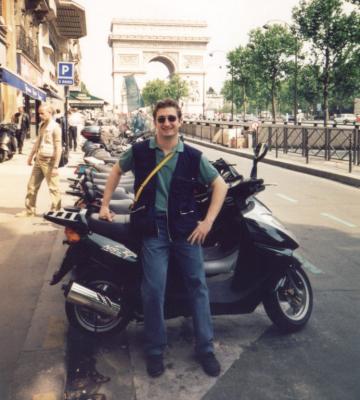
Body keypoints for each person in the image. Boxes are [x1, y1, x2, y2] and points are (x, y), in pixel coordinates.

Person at [99, 98, 228, 378]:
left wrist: (208, 222)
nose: (167, 123)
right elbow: (116, 171)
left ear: (180, 121)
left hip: (185, 232)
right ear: (155, 122)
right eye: (162, 119)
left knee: (198, 287)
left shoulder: (193, 156)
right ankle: (155, 350)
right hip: (153, 230)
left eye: (172, 118)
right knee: (154, 290)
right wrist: (104, 205)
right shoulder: (141, 151)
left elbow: (220, 184)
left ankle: (205, 348)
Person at [16, 104, 62, 217]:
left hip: (49, 161)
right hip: (39, 159)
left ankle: (56, 212)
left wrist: (56, 165)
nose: (40, 115)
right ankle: (30, 211)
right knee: (31, 186)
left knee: (53, 188)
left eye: (42, 113)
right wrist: (30, 156)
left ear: (50, 113)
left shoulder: (55, 127)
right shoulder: (42, 125)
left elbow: (58, 147)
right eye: (39, 113)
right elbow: (38, 142)